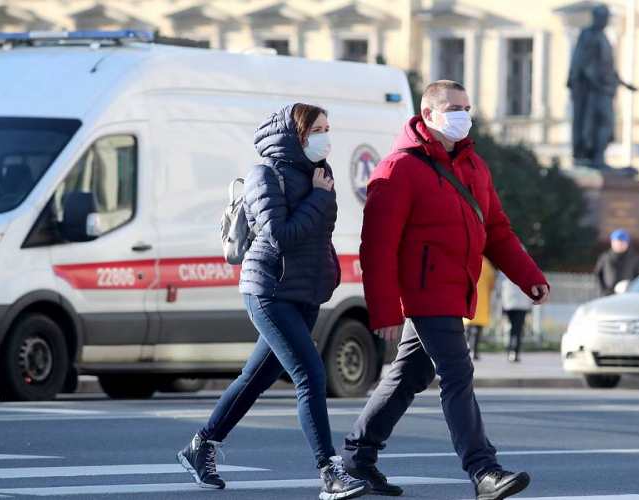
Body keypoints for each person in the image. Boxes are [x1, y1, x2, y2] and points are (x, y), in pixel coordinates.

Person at [342, 80, 550, 500]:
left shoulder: (474, 166)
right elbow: (377, 247)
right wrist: (384, 311)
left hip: (453, 289)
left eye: (467, 107)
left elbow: (497, 231)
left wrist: (528, 276)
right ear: (429, 114)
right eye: (455, 107)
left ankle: (358, 457)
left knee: (411, 374)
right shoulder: (398, 168)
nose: (464, 115)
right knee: (457, 372)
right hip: (424, 291)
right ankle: (483, 470)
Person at [176, 104, 370, 500]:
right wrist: (318, 197)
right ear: (295, 133)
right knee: (311, 375)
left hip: (306, 292)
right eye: (318, 129)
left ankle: (201, 445)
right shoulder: (264, 175)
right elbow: (281, 235)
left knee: (257, 378)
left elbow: (319, 235)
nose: (325, 136)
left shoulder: (321, 172)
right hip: (268, 290)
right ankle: (329, 472)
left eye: (328, 128)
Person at [567, 4, 637, 169]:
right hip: (593, 92)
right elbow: (582, 65)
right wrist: (596, 82)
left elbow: (608, 68)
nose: (606, 21)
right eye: (603, 17)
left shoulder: (603, 37)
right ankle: (595, 157)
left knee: (605, 124)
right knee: (599, 123)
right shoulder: (589, 35)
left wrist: (625, 84)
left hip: (605, 90)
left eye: (607, 18)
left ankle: (599, 156)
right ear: (596, 17)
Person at [595, 229, 639, 297]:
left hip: (628, 296)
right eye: (616, 242)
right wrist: (603, 293)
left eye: (621, 242)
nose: (619, 245)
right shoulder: (605, 258)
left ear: (627, 243)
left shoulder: (635, 259)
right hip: (608, 295)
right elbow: (599, 276)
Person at [465, 258, 496, 361]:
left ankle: (468, 348)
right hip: (482, 301)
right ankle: (475, 351)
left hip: (469, 298)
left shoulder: (469, 261)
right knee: (477, 330)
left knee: (468, 328)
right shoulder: (487, 266)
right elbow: (492, 284)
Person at [500, 272, 532, 363]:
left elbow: (499, 289)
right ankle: (515, 352)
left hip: (508, 304)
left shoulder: (504, 271)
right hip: (522, 305)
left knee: (510, 330)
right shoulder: (526, 269)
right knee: (517, 330)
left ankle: (510, 350)